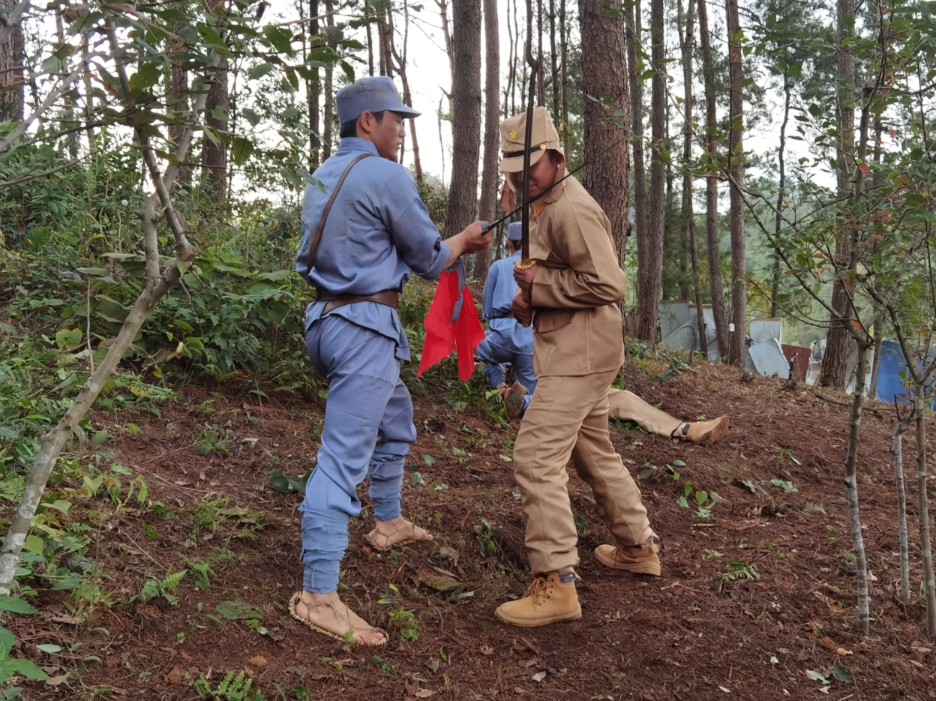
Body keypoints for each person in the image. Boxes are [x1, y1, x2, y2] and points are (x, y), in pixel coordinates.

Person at [290, 76, 490, 646]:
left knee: (395, 419)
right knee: (342, 458)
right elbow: (429, 259)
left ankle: (390, 520)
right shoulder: (384, 174)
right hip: (363, 330)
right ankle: (320, 596)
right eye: (394, 118)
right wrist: (465, 240)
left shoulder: (325, 174)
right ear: (367, 123)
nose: (401, 129)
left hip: (327, 323)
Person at [494, 106, 660, 628]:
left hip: (580, 354)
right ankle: (638, 546)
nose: (522, 180)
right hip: (576, 346)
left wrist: (542, 287)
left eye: (531, 169)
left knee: (535, 457)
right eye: (514, 172)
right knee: (593, 452)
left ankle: (557, 583)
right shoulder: (545, 203)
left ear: (556, 158)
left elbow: (609, 285)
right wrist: (532, 300)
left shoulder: (573, 209)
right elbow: (563, 278)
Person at [476, 221, 536, 416]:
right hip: (529, 340)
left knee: (477, 349)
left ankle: (500, 388)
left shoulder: (499, 266)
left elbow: (487, 311)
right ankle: (523, 402)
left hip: (501, 336)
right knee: (536, 392)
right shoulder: (537, 270)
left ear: (510, 244)